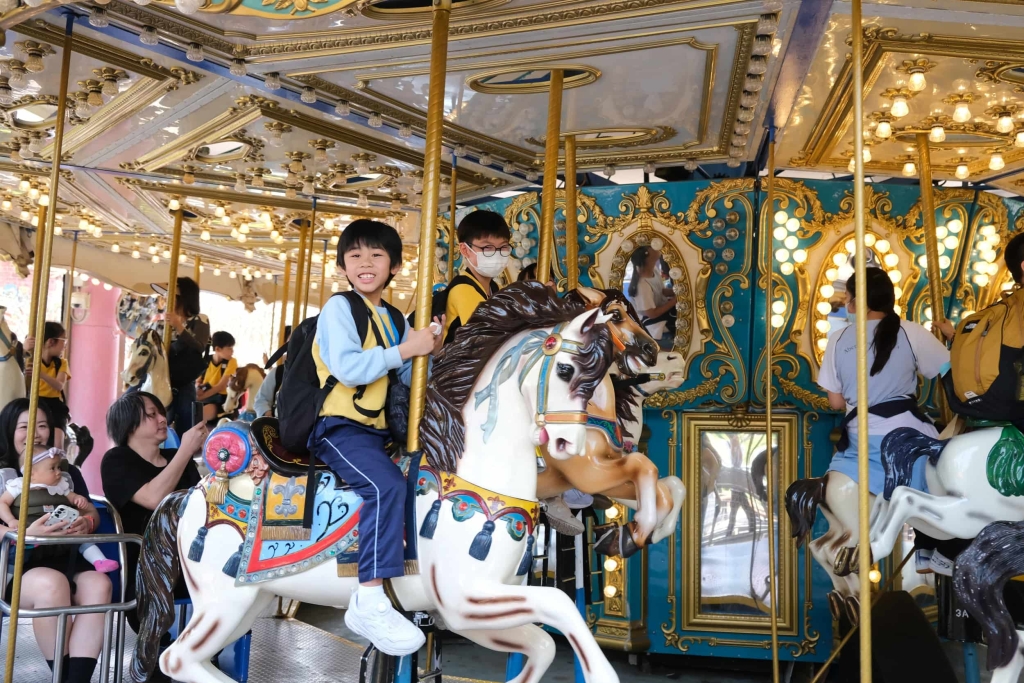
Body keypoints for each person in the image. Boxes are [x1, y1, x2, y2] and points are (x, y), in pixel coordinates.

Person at [311, 219, 442, 656]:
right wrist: (408, 349)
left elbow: (405, 376)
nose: (365, 263)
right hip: (339, 426)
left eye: (376, 255)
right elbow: (349, 368)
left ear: (395, 266)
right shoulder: (339, 308)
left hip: (379, 430)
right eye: (355, 255)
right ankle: (368, 598)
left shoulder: (393, 317)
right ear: (342, 266)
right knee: (384, 486)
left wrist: (430, 350)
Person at [817, 268, 949, 570]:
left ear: (858, 302)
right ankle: (931, 548)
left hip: (858, 441)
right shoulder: (911, 331)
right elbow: (947, 370)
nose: (847, 304)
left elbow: (835, 401)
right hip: (903, 433)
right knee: (947, 468)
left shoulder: (837, 339)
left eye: (848, 298)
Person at [0, 398, 111, 683]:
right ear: (9, 431)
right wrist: (22, 533)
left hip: (67, 557)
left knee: (99, 585)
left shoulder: (64, 473)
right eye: (24, 427)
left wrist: (85, 523)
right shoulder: (6, 478)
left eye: (42, 426)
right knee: (53, 583)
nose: (35, 434)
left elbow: (91, 513)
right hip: (16, 567)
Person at [100, 391, 205, 633]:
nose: (162, 419)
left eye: (162, 413)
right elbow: (154, 499)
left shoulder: (176, 458)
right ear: (129, 425)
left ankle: (203, 645)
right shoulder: (116, 460)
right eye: (151, 414)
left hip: (189, 559)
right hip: (145, 567)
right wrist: (185, 451)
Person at [0, 445, 119, 573]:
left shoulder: (61, 484)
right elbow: (2, 503)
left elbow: (72, 497)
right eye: (53, 468)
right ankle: (7, 577)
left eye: (59, 467)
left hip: (60, 528)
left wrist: (79, 499)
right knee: (16, 556)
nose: (58, 472)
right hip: (31, 531)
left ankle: (99, 560)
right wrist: (11, 520)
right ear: (31, 472)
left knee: (81, 539)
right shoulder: (18, 485)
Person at [442, 210, 511, 343]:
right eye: (487, 248)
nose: (496, 254)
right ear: (465, 249)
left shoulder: (495, 288)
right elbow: (485, 338)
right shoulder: (463, 289)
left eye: (503, 247)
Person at [165, 277, 210, 433]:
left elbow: (199, 346)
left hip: (183, 377)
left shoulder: (200, 319)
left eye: (173, 297)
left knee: (185, 413)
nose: (168, 300)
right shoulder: (166, 323)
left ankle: (186, 443)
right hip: (163, 375)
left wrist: (179, 326)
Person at [23, 321, 70, 448]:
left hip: (54, 405)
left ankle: (58, 454)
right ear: (50, 342)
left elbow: (59, 385)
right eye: (64, 341)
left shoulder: (61, 363)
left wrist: (41, 374)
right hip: (35, 401)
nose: (65, 346)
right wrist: (23, 349)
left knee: (57, 441)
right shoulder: (30, 359)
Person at [627, 247, 676, 349]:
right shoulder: (642, 285)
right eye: (651, 247)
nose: (656, 247)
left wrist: (678, 292)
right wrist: (675, 300)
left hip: (662, 314)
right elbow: (652, 314)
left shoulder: (653, 269)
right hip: (656, 327)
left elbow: (661, 291)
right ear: (647, 255)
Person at [196, 331, 237, 424]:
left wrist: (200, 397)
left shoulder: (231, 362)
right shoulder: (206, 360)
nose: (232, 351)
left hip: (220, 400)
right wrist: (198, 388)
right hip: (204, 396)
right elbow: (198, 381)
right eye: (229, 348)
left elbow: (221, 386)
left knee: (199, 415)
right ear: (218, 349)